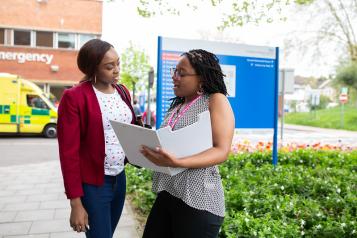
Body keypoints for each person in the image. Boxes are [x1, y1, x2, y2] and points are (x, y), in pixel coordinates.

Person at [140, 49, 235, 238]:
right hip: (168, 194)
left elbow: (221, 151)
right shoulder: (177, 105)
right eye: (174, 72)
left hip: (199, 201)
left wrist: (178, 162)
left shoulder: (216, 100)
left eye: (181, 73)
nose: (175, 77)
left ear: (201, 78)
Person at [57, 39, 136, 238]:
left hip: (120, 178)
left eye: (118, 63)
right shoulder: (74, 97)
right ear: (93, 68)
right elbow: (68, 153)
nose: (117, 70)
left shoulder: (122, 92)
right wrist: (75, 202)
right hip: (94, 184)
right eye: (109, 67)